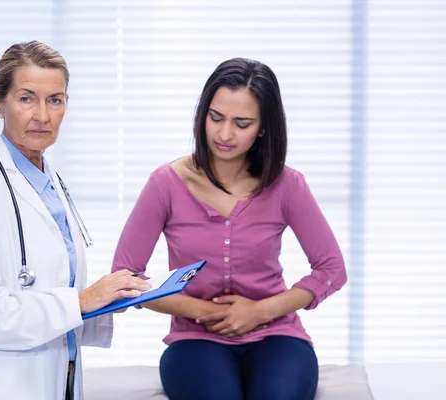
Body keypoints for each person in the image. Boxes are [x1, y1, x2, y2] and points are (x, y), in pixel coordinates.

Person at [111, 58, 347, 400]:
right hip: (194, 341)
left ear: (263, 127)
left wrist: (259, 311)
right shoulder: (165, 184)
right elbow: (125, 278)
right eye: (216, 118)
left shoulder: (287, 185)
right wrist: (205, 312)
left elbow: (332, 270)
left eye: (242, 123)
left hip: (277, 336)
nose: (224, 134)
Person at [0, 41, 151, 400]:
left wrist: (110, 298)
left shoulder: (50, 184)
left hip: (62, 378)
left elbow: (56, 290)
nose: (42, 115)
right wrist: (82, 301)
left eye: (55, 99)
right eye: (26, 99)